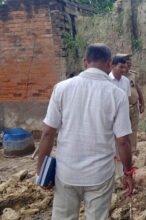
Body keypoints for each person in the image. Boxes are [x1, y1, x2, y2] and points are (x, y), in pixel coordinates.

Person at [36, 43, 135, 220]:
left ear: (84, 62)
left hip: (66, 172)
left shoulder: (62, 88)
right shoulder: (117, 94)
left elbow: (48, 133)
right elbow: (123, 141)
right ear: (109, 63)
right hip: (100, 175)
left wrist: (40, 170)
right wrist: (128, 173)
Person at [117, 53, 145, 153]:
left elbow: (137, 88)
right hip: (122, 108)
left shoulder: (132, 75)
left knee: (134, 129)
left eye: (130, 61)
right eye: (126, 61)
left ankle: (132, 150)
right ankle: (122, 151)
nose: (129, 63)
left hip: (134, 106)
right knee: (123, 131)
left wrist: (142, 102)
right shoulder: (116, 77)